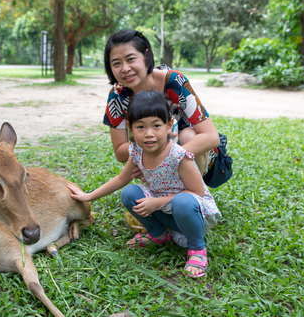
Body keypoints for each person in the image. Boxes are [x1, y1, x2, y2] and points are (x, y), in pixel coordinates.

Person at [68, 90, 221, 278]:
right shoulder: (137, 151)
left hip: (191, 213)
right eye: (140, 127)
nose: (149, 134)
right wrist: (88, 196)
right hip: (166, 212)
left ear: (169, 125)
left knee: (183, 202)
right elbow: (121, 179)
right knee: (129, 193)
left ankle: (197, 248)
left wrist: (158, 202)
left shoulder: (178, 156)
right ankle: (158, 234)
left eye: (156, 125)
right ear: (130, 129)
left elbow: (197, 194)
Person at [103, 29, 220, 176]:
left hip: (192, 153)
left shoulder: (174, 82)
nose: (125, 69)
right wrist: (151, 152)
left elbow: (212, 137)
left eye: (131, 59)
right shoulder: (117, 96)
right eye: (116, 63)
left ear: (146, 55)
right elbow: (120, 152)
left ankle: (194, 195)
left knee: (187, 136)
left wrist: (164, 159)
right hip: (152, 154)